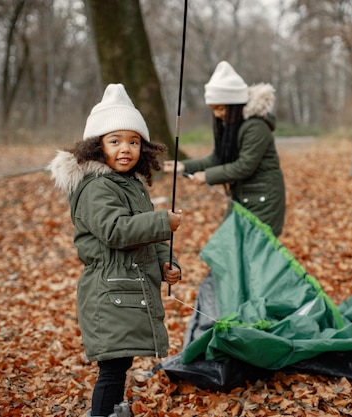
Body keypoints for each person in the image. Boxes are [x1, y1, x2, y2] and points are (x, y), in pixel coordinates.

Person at [48, 83, 182, 417]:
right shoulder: (96, 187)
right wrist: (162, 221)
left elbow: (147, 237)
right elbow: (116, 231)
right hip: (108, 294)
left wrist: (168, 261)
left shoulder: (131, 185)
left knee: (120, 363)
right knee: (111, 368)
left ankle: (113, 411)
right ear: (97, 147)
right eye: (115, 141)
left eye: (133, 141)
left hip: (126, 290)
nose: (126, 149)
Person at [164, 61, 285, 237]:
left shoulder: (255, 127)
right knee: (228, 250)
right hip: (242, 198)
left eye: (221, 108)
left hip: (263, 200)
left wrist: (207, 176)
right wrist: (183, 167)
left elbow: (245, 165)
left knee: (254, 255)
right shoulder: (232, 126)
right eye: (213, 109)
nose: (217, 114)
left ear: (235, 105)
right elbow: (217, 159)